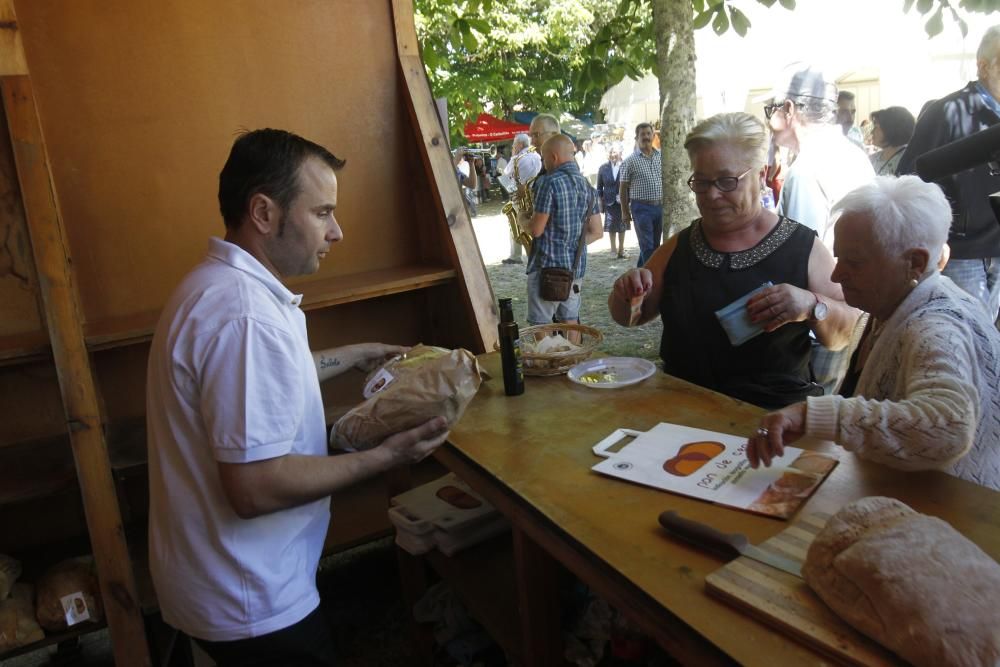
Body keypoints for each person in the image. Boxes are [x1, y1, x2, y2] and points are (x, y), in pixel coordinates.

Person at [146, 129, 450, 665]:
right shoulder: (243, 315)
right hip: (251, 600)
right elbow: (255, 487)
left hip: (222, 583)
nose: (337, 231)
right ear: (263, 212)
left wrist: (356, 352)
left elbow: (258, 386)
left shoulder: (217, 286)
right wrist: (385, 457)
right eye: (322, 212)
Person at [748, 176, 1000, 491]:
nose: (837, 274)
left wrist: (813, 415)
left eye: (853, 262)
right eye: (838, 257)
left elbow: (948, 425)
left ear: (915, 263)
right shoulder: (898, 303)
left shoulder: (936, 325)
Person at [608, 113, 858, 409]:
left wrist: (810, 304)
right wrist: (627, 292)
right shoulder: (681, 246)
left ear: (762, 175)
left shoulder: (802, 247)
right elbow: (629, 316)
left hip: (772, 423)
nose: (712, 195)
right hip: (684, 414)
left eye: (727, 181)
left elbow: (846, 334)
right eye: (700, 183)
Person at [767, 63, 875, 394]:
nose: (767, 121)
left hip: (821, 324)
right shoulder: (854, 155)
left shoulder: (806, 171)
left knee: (810, 421)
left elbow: (797, 259)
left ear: (788, 110)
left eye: (769, 108)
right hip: (857, 313)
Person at [897, 25, 1000, 322]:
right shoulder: (947, 112)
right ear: (983, 66)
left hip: (996, 248)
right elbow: (911, 179)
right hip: (961, 252)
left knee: (989, 339)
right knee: (965, 332)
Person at [526, 133, 603, 325]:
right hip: (574, 271)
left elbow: (536, 230)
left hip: (547, 270)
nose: (544, 164)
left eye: (544, 159)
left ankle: (548, 357)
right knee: (571, 323)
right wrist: (569, 244)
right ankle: (574, 356)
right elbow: (597, 232)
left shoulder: (548, 182)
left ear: (553, 157)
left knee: (540, 327)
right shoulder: (587, 186)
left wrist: (521, 219)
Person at [619, 122, 663, 267]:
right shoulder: (629, 161)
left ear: (653, 136)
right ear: (636, 138)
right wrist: (625, 212)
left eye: (648, 134)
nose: (646, 137)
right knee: (648, 246)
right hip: (641, 208)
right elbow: (623, 187)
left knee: (655, 246)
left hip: (660, 207)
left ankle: (640, 272)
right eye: (642, 134)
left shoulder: (661, 156)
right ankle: (651, 279)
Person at [501, 132, 542, 265]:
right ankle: (536, 252)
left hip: (519, 195)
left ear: (519, 144)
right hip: (534, 194)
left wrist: (513, 155)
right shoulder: (536, 155)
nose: (513, 146)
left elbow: (506, 173)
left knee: (514, 224)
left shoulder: (517, 158)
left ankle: (516, 255)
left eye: (514, 144)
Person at [597, 145, 628, 258]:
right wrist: (600, 202)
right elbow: (599, 187)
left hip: (622, 201)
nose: (613, 155)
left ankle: (621, 250)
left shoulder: (625, 165)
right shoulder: (603, 168)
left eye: (615, 152)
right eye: (611, 152)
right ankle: (613, 250)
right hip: (609, 201)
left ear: (620, 153)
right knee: (611, 226)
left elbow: (630, 184)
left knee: (622, 225)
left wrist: (627, 197)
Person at [868, 106, 915, 176]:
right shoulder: (872, 158)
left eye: (876, 128)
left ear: (890, 130)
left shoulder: (908, 161)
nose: (872, 132)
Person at [453, 147, 478, 216]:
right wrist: (456, 159)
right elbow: (447, 176)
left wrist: (471, 164)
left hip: (458, 208)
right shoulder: (443, 168)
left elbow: (472, 184)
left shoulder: (456, 169)